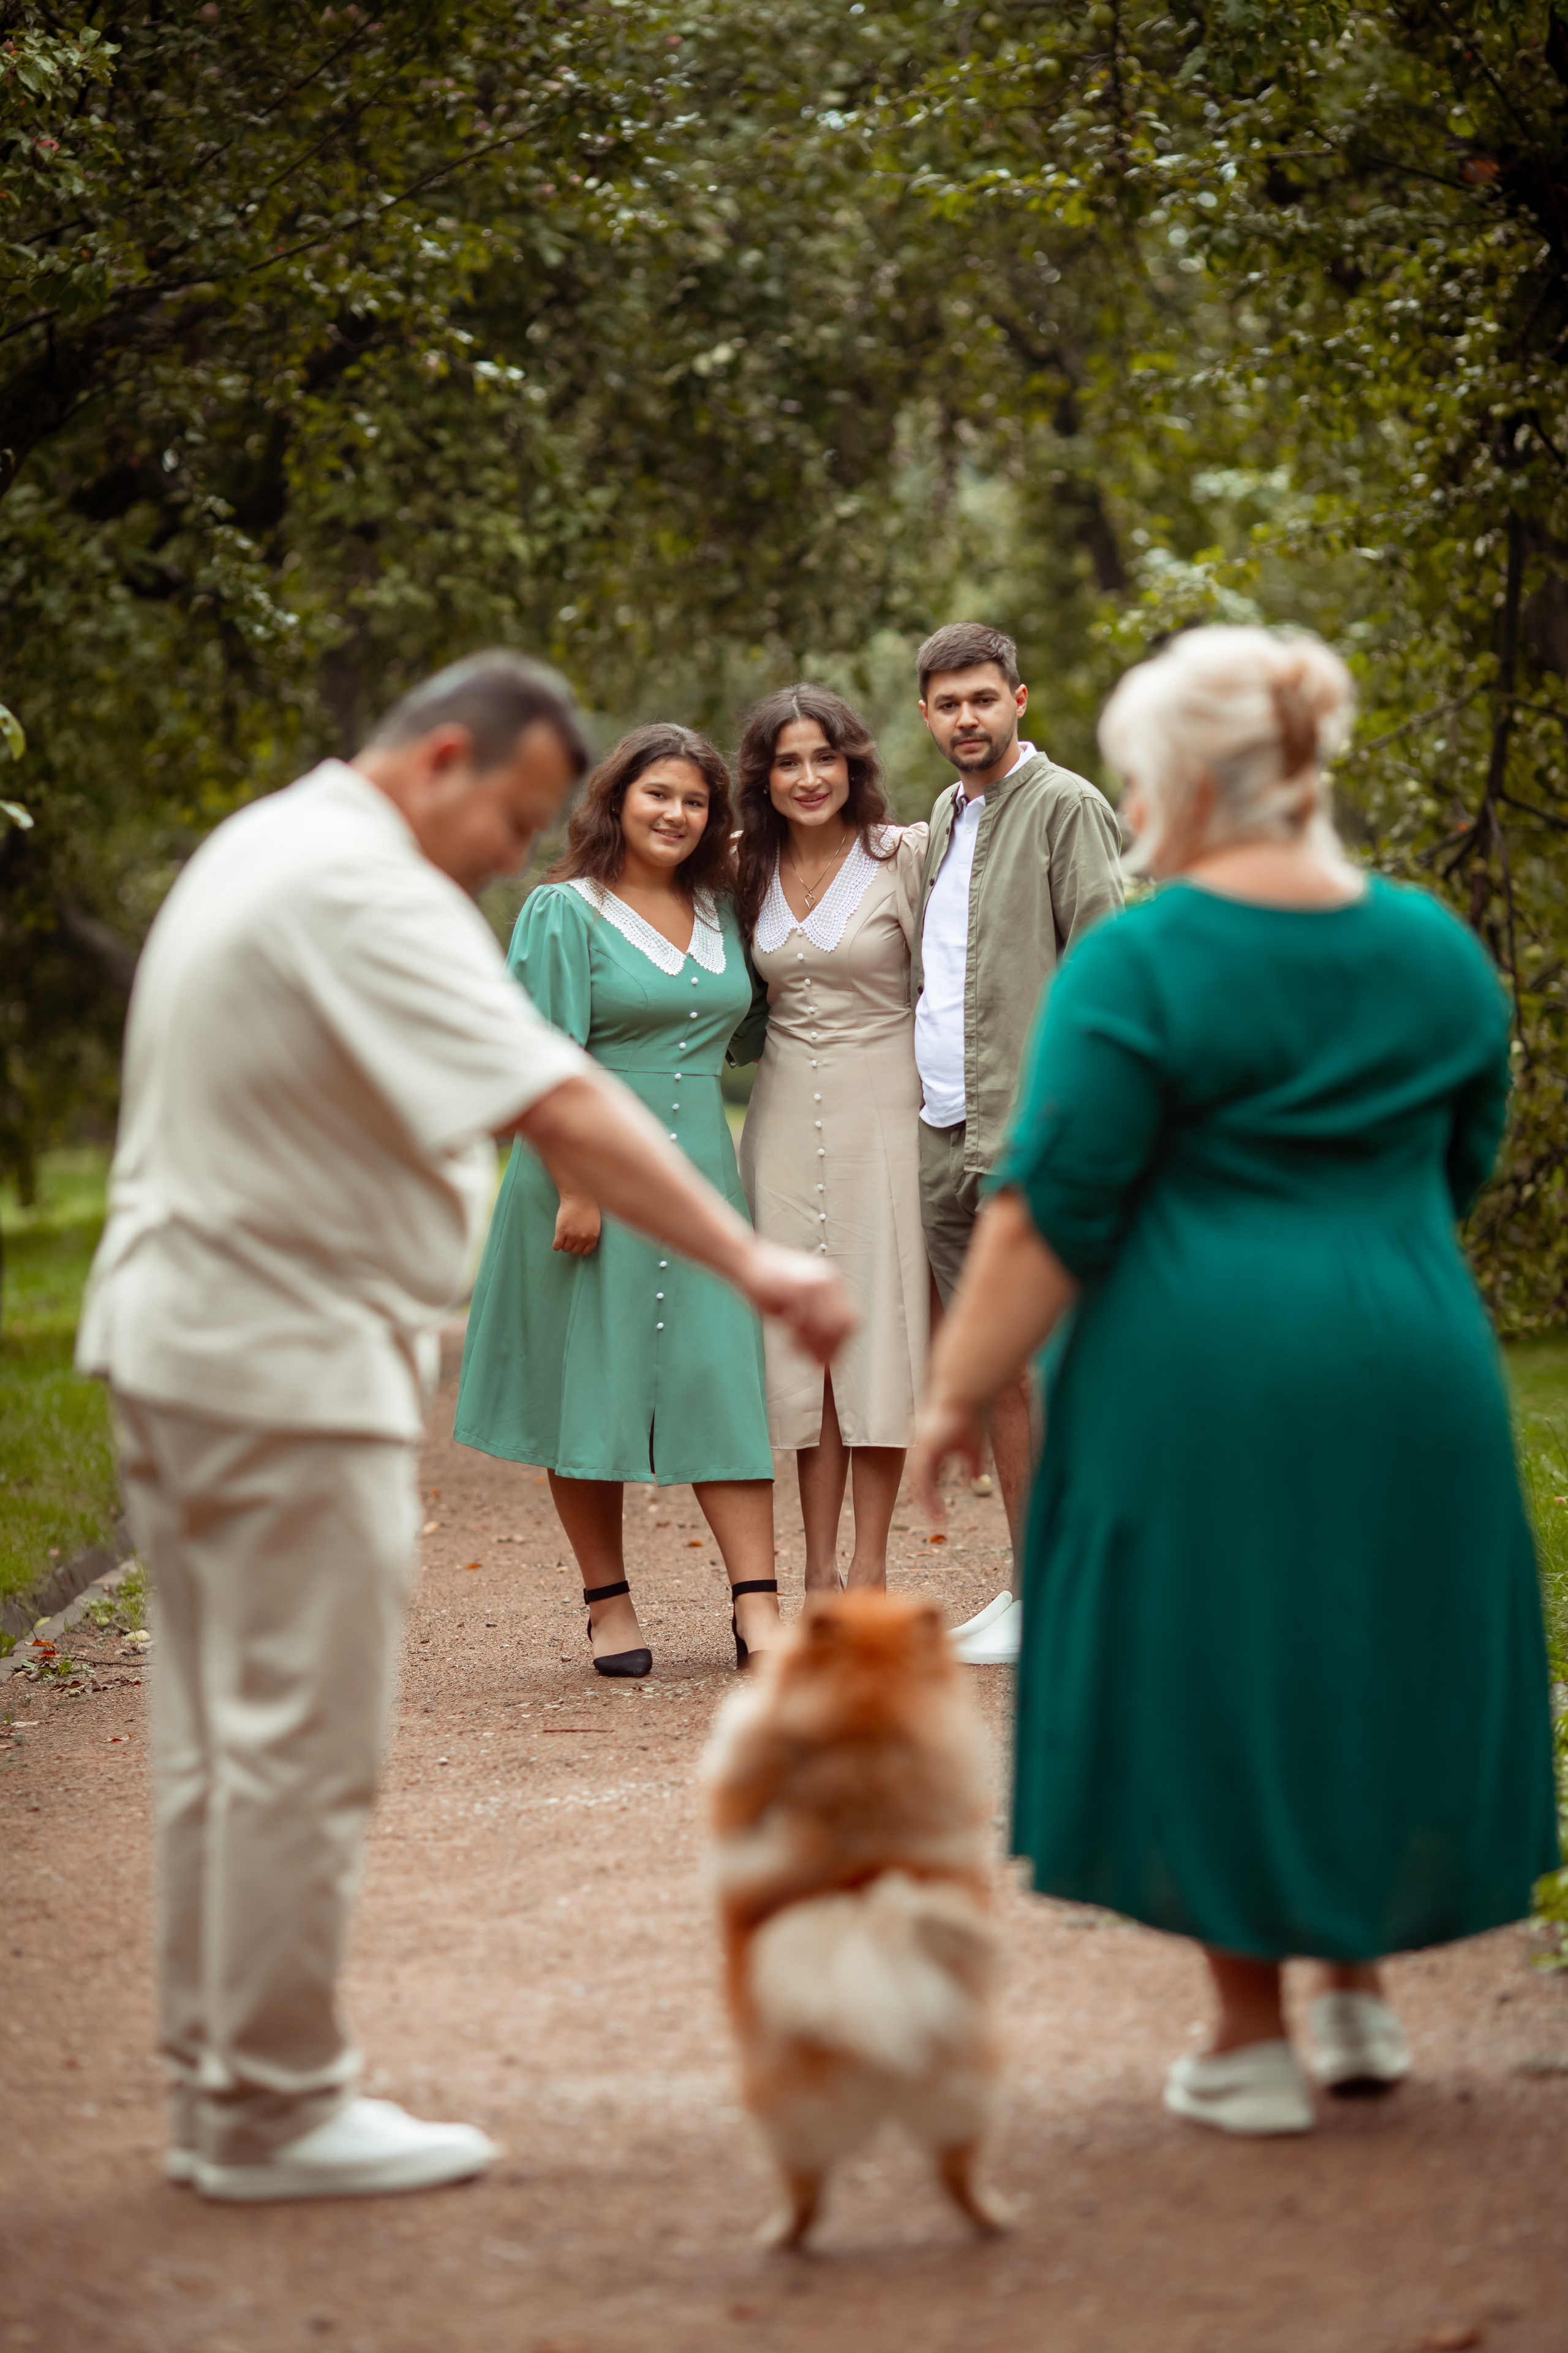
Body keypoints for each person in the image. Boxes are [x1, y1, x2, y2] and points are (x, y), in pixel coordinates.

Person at [77, 656, 852, 2204]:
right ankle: (276, 2108)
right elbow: (558, 1101)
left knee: (222, 1738)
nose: (513, 852)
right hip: (278, 1361)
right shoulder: (360, 886)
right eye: (508, 813)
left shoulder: (266, 844)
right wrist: (757, 1262)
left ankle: (222, 2089)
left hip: (188, 1341)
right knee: (299, 1739)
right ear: (440, 757)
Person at [910, 623, 1559, 2135]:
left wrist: (956, 1390)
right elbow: (1461, 1155)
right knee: (1366, 1639)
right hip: (1407, 1353)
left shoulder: (1144, 955)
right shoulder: (1430, 948)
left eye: (1141, 778)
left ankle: (1247, 2034)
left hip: (1190, 1366)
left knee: (1210, 1659)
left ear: (1190, 781)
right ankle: (1356, 2001)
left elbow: (1049, 1208)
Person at [455, 724, 786, 1677]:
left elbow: (753, 1022)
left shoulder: (725, 910)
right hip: (584, 1175)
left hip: (698, 1174)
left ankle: (758, 1607)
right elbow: (541, 1058)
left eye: (694, 801)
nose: (676, 814)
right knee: (585, 1384)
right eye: (658, 796)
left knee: (721, 1375)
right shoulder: (564, 911)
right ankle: (608, 1603)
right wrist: (577, 1186)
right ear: (616, 801)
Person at [911, 621, 1123, 1663]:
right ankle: (1033, 1586)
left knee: (1052, 1366)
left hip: (1029, 1132)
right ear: (926, 717)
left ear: (1020, 699)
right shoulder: (947, 816)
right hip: (945, 1131)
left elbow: (1104, 963)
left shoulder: (1065, 806)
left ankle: (1083, 1593)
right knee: (1001, 1372)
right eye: (948, 704)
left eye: (982, 699)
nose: (966, 719)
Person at [729, 684, 930, 1591]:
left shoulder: (905, 857)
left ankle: (871, 1567)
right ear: (763, 779)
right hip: (778, 1123)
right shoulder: (744, 867)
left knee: (879, 1338)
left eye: (824, 756)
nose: (809, 777)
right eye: (787, 761)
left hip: (886, 1116)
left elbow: (952, 986)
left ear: (853, 763)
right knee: (804, 1346)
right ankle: (812, 1573)